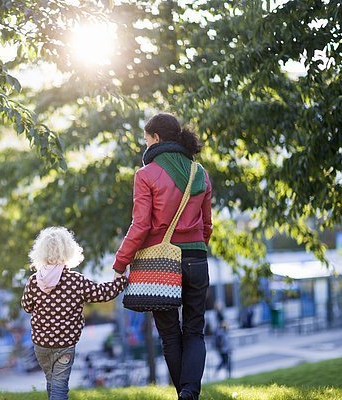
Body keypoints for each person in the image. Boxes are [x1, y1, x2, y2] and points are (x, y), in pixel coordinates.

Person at [112, 112, 213, 400]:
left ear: (155, 138)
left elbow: (141, 225)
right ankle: (190, 392)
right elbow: (207, 226)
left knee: (170, 334)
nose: (145, 145)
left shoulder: (146, 175)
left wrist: (121, 262)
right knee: (195, 329)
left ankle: (184, 393)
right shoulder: (200, 174)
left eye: (145, 139)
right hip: (197, 259)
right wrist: (195, 248)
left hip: (161, 264)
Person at [21, 227, 127, 400]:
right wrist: (120, 281)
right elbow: (102, 293)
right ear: (69, 250)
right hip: (65, 346)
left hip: (41, 346)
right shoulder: (76, 280)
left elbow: (26, 306)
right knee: (59, 388)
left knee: (52, 383)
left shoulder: (34, 281)